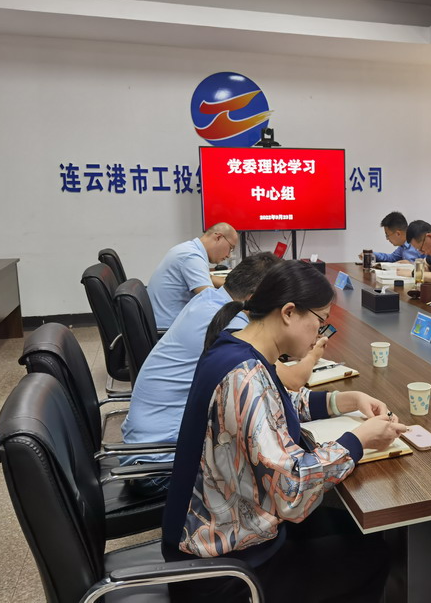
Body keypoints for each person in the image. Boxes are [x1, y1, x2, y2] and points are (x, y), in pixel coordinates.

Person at [162, 259, 407, 602]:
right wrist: (359, 440)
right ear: (289, 312)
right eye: (320, 322)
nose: (321, 335)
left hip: (225, 531)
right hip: (226, 569)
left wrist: (345, 400)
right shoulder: (244, 377)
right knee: (373, 556)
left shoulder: (236, 347)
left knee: (354, 530)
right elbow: (291, 492)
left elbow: (276, 403)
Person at [121, 253, 327, 492]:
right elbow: (292, 381)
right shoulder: (233, 332)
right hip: (161, 463)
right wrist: (313, 354)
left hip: (150, 448)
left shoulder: (209, 300)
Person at [148, 222, 239, 328]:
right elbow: (211, 301)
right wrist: (242, 303)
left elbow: (208, 278)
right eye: (231, 248)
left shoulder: (188, 249)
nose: (229, 255)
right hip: (169, 328)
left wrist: (237, 286)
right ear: (218, 237)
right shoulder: (191, 257)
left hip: (165, 322)